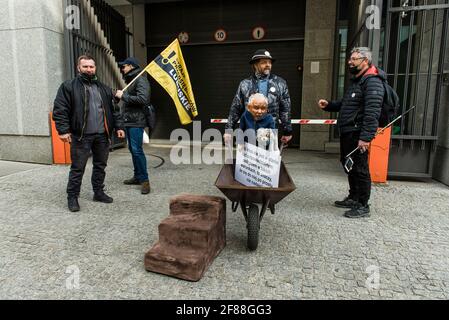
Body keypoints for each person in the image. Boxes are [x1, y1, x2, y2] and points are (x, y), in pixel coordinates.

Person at [318, 47, 385, 218]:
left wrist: (365, 138)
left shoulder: (373, 82)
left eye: (354, 59)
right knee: (349, 164)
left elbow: (372, 113)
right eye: (350, 58)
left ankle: (363, 205)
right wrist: (330, 105)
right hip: (348, 132)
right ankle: (353, 196)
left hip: (358, 134)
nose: (350, 61)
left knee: (360, 168)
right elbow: (347, 104)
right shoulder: (358, 81)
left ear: (365, 61)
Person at [53, 55, 125, 212]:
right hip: (81, 135)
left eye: (91, 67)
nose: (89, 69)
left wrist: (119, 127)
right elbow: (60, 109)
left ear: (95, 68)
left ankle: (98, 192)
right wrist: (63, 130)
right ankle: (72, 197)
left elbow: (114, 110)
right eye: (85, 66)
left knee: (100, 166)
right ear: (78, 68)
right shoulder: (68, 86)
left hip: (102, 136)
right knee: (78, 168)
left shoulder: (104, 88)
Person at [224, 49, 292, 145]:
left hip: (270, 132)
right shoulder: (245, 84)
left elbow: (285, 109)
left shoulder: (280, 83)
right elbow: (235, 108)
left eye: (269, 62)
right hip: (248, 131)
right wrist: (229, 130)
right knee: (247, 159)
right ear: (255, 65)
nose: (268, 65)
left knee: (268, 159)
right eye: (264, 62)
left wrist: (287, 130)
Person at [114, 57, 151, 195]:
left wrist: (123, 96)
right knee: (132, 148)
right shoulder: (132, 80)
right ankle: (137, 176)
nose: (122, 69)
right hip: (130, 119)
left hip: (136, 120)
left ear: (131, 66)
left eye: (124, 66)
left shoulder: (140, 79)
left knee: (137, 149)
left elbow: (143, 99)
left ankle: (145, 180)